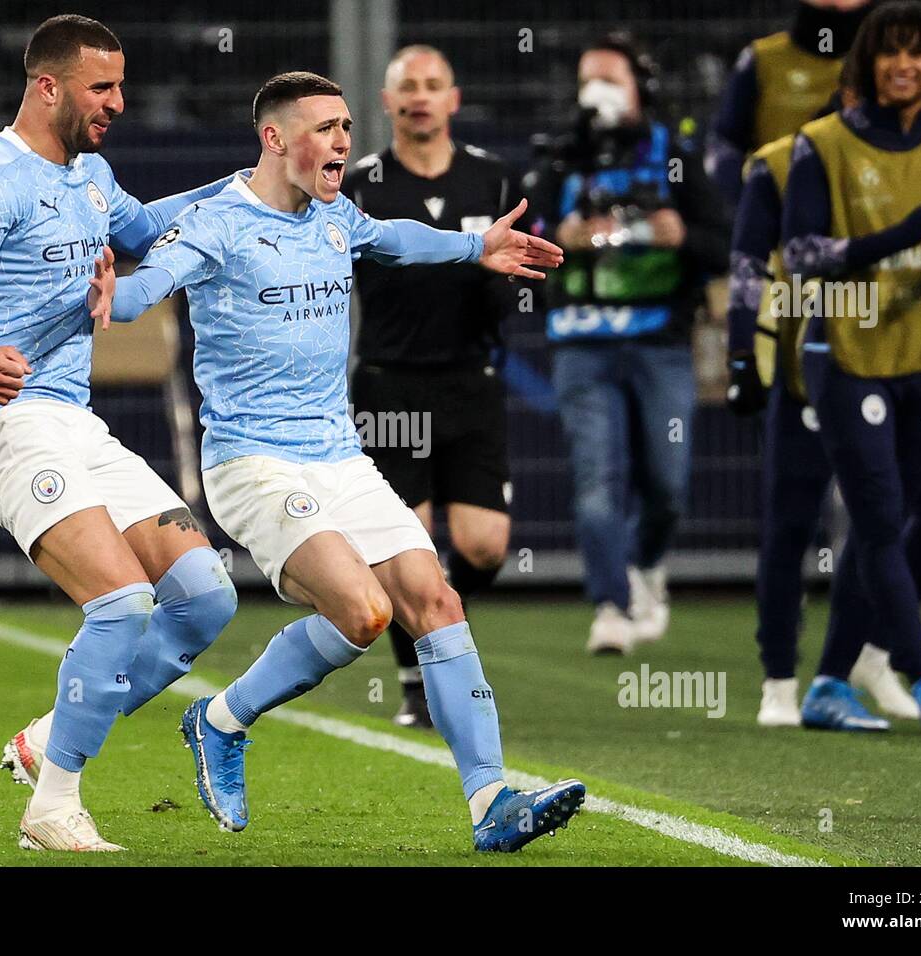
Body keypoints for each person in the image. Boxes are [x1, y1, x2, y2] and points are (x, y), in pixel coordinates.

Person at [98, 71, 586, 852]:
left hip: (339, 457)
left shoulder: (334, 216)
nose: (343, 144)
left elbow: (393, 237)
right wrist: (109, 296)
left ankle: (491, 802)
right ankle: (220, 721)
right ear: (275, 138)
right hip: (254, 464)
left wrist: (475, 245)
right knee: (362, 612)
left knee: (437, 601)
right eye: (325, 129)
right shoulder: (217, 223)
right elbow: (145, 286)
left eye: (348, 128)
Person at [0, 15, 237, 852]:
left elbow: (143, 230)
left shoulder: (91, 173)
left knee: (205, 595)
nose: (119, 103)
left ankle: (44, 738)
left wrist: (248, 186)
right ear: (48, 86)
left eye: (121, 86)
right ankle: (53, 808)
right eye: (103, 88)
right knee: (123, 600)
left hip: (72, 422)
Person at [781, 1, 921, 731]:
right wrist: (908, 229)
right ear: (867, 63)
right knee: (878, 514)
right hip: (845, 353)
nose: (904, 64)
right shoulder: (823, 143)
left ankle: (831, 683)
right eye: (890, 51)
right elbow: (804, 253)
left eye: (918, 51)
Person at [727, 88, 921, 727]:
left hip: (901, 364)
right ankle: (779, 681)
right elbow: (750, 264)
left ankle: (868, 655)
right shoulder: (779, 163)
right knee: (792, 523)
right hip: (811, 369)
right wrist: (742, 354)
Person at [525, 34, 729, 654]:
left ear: (642, 86)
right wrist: (555, 234)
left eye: (611, 78)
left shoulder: (676, 156)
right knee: (596, 477)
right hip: (582, 345)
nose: (598, 92)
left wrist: (681, 235)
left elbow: (721, 243)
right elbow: (522, 235)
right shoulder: (560, 161)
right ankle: (610, 604)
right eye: (589, 79)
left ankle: (646, 565)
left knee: (667, 482)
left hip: (661, 343)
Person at [342, 45, 518, 730]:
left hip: (471, 383)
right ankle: (416, 679)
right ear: (386, 103)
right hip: (389, 385)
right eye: (406, 87)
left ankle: (444, 608)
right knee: (403, 542)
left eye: (433, 85)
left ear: (455, 98)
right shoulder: (357, 183)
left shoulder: (494, 179)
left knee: (484, 546)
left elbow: (524, 268)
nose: (420, 96)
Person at [708, 0, 874, 206]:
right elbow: (725, 141)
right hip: (781, 209)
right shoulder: (762, 58)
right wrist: (753, 199)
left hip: (866, 209)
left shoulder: (888, 63)